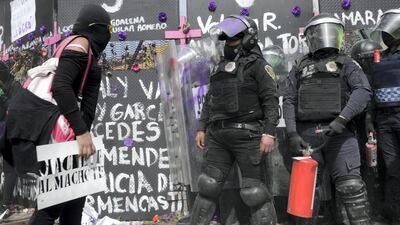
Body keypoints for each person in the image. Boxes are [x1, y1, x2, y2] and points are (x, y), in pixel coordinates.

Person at [282, 14, 372, 225]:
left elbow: (362, 92)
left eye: (331, 31)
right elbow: (289, 99)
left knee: (351, 188)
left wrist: (342, 119)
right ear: (310, 37)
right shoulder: (300, 66)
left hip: (340, 134)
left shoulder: (347, 63)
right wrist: (292, 133)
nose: (326, 37)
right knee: (304, 193)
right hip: (306, 136)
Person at [26, 4, 111, 225]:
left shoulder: (82, 48)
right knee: (51, 208)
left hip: (71, 140)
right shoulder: (81, 45)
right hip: (66, 138)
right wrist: (81, 132)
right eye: (106, 28)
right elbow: (61, 87)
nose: (109, 34)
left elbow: (82, 98)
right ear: (95, 28)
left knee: (74, 203)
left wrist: (82, 134)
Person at [192, 15, 280, 225]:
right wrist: (202, 127)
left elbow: (270, 100)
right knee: (208, 185)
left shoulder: (259, 65)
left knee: (254, 192)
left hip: (248, 136)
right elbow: (209, 100)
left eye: (234, 39)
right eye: (227, 40)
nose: (229, 43)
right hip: (218, 135)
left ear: (248, 38)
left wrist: (269, 133)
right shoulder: (219, 67)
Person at [369, 9, 400, 224]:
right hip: (385, 119)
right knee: (392, 170)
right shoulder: (382, 57)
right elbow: (372, 89)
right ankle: (394, 214)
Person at [0, 61, 19, 222]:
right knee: (10, 168)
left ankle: (5, 204)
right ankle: (5, 204)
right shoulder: (12, 84)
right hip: (6, 131)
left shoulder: (10, 85)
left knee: (10, 168)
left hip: (6, 131)